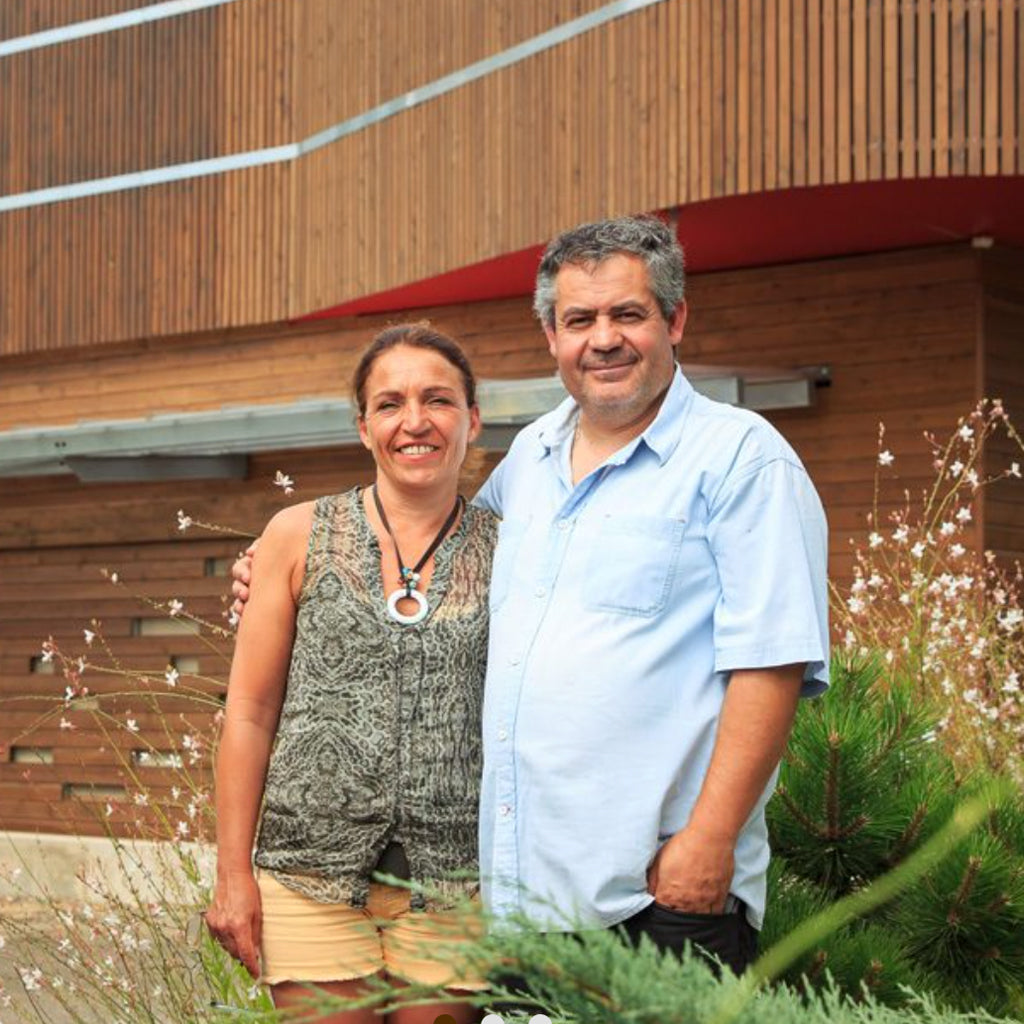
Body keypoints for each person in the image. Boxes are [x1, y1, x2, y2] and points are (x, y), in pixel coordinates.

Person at [233, 216, 829, 977]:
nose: (603, 340)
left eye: (627, 314)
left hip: (659, 893)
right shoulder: (532, 458)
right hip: (522, 902)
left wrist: (710, 841)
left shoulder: (742, 460)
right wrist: (276, 569)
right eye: (579, 320)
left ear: (675, 319)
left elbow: (772, 663)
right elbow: (436, 552)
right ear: (551, 335)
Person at [207, 323, 496, 1024]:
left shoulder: (512, 548)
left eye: (437, 400)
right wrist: (232, 873)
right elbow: (248, 713)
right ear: (364, 427)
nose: (415, 421)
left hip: (458, 883)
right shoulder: (296, 534)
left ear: (472, 419)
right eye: (390, 404)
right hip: (306, 876)